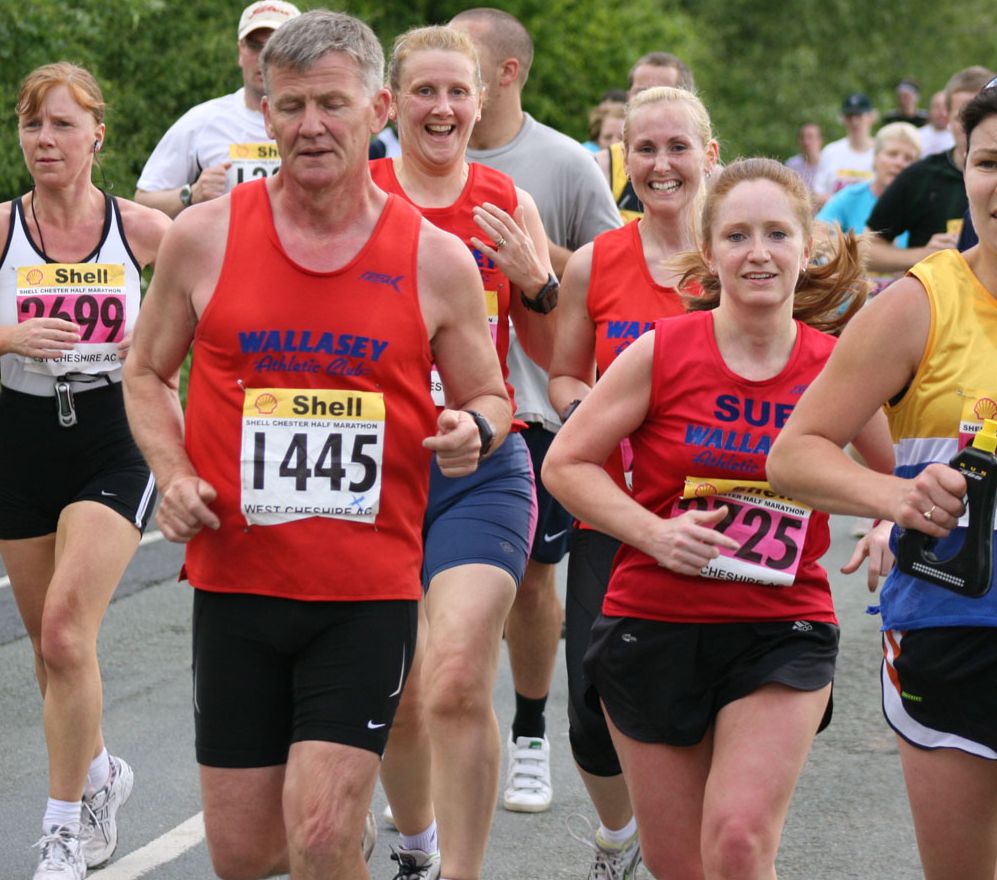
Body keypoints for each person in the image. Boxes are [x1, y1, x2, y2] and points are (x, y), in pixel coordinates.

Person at [121, 12, 511, 880]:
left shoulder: (433, 257)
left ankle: (340, 838)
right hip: (236, 582)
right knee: (245, 855)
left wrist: (471, 429)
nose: (310, 126)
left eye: (331, 104)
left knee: (323, 835)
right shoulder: (203, 237)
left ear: (376, 107)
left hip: (365, 587)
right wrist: (173, 473)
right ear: (264, 111)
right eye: (289, 105)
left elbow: (491, 395)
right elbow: (143, 372)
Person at [543, 157, 892, 880]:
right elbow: (565, 465)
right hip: (654, 620)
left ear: (807, 247)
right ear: (709, 254)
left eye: (775, 234)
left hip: (781, 626)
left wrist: (889, 523)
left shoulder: (838, 366)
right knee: (683, 867)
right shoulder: (661, 351)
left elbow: (893, 477)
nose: (757, 253)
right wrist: (652, 532)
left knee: (735, 841)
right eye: (736, 236)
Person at [767, 80, 997, 880]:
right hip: (953, 627)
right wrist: (895, 496)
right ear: (959, 169)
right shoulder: (917, 306)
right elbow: (795, 453)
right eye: (988, 162)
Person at [370, 24, 556, 880]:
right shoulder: (355, 190)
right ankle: (416, 846)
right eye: (424, 91)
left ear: (482, 103)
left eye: (458, 92)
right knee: (398, 696)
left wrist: (538, 282)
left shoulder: (502, 200)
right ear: (390, 102)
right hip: (368, 469)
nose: (441, 107)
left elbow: (557, 353)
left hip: (478, 464)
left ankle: (461, 874)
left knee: (451, 679)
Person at [449, 6, 622, 823]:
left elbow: (617, 277)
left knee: (527, 582)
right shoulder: (397, 162)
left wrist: (533, 260)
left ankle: (525, 732)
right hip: (427, 412)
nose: (447, 88)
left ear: (506, 73)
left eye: (465, 65)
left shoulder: (559, 163)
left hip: (534, 401)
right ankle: (437, 737)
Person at [0, 62, 169, 880]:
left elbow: (221, 306)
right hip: (18, 437)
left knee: (68, 630)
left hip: (111, 433)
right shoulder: (1, 229)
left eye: (63, 125)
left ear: (98, 134)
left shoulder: (140, 230)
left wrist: (158, 351)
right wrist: (7, 339)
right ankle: (100, 772)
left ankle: (63, 827)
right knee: (47, 648)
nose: (45, 141)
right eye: (33, 125)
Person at [547, 85, 718, 878]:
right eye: (643, 149)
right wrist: (588, 409)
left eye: (676, 147)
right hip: (614, 515)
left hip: (730, 516)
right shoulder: (595, 262)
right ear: (624, 160)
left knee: (716, 694)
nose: (660, 165)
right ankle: (621, 836)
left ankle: (705, 845)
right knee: (589, 710)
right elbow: (562, 375)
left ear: (708, 156)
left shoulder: (745, 255)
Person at [134, 0, 300, 217]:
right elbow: (142, 202)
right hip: (228, 250)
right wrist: (191, 194)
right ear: (240, 50)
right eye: (254, 46)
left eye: (276, 47)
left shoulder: (320, 124)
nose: (263, 58)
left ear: (301, 55)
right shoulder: (203, 121)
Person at [866, 66, 995, 275]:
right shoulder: (921, 176)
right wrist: (924, 254)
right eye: (964, 117)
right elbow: (867, 249)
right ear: (947, 119)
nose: (972, 128)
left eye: (983, 118)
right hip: (939, 301)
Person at [597, 51, 696, 222]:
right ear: (628, 98)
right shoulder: (600, 167)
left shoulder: (714, 177)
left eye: (662, 92)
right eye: (642, 92)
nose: (650, 100)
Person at [816, 92, 877, 196]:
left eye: (859, 115)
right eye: (849, 116)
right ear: (843, 119)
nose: (854, 121)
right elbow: (818, 193)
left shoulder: (882, 152)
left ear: (871, 117)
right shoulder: (830, 151)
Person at [785, 122, 834, 208]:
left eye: (810, 137)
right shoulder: (791, 165)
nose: (806, 141)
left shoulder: (831, 163)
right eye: (802, 137)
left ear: (820, 140)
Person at [919, 89, 956, 156]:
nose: (942, 113)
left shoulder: (958, 138)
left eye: (945, 107)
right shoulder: (918, 135)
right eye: (937, 107)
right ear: (930, 110)